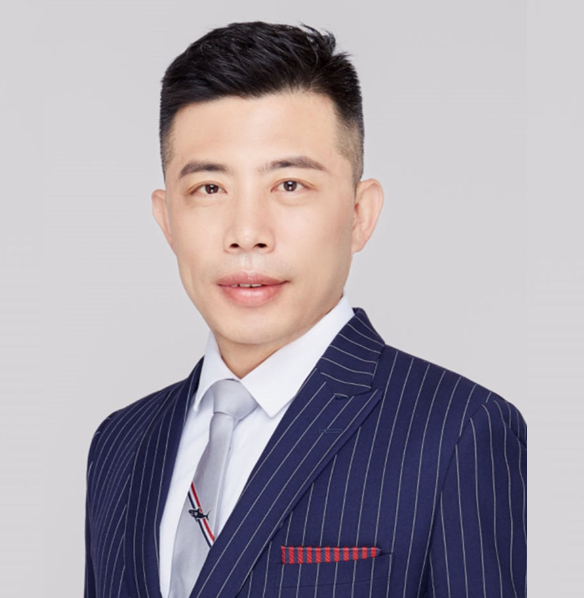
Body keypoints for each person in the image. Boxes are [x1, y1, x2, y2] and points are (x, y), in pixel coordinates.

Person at [84, 22, 526, 598]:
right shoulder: (120, 443)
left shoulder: (459, 430)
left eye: (289, 185)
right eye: (210, 189)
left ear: (360, 214)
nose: (247, 232)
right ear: (167, 219)